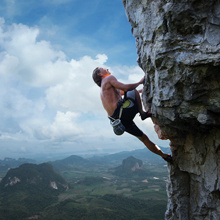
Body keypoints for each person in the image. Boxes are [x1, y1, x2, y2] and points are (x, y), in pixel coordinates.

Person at [92, 67, 173, 163]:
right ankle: (142, 113)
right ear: (99, 74)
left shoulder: (103, 88)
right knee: (132, 90)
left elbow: (121, 92)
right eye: (103, 68)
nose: (107, 68)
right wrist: (139, 82)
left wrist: (140, 91)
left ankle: (165, 156)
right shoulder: (108, 78)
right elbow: (126, 88)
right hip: (123, 113)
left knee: (143, 138)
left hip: (118, 121)